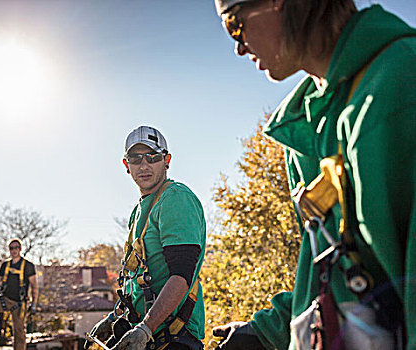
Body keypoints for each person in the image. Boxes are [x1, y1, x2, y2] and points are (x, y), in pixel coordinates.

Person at [212, 0, 415, 349]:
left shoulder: (400, 85)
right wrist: (267, 332)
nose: (238, 47)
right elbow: (339, 276)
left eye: (235, 23)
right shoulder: (301, 132)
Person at [86, 126, 207, 350]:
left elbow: (181, 276)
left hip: (173, 337)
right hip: (148, 334)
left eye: (152, 157)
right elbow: (136, 279)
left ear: (167, 160)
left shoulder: (175, 198)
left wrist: (146, 328)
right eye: (135, 158)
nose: (144, 165)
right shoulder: (140, 210)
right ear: (126, 165)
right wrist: (114, 318)